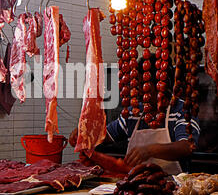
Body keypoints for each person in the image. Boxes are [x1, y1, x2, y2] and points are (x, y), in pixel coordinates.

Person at [69, 57, 200, 175]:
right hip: (136, 185)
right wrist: (85, 134)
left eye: (145, 87)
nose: (139, 92)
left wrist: (150, 150)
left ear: (161, 86)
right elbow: (106, 135)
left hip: (174, 189)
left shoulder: (182, 110)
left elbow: (187, 146)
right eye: (138, 86)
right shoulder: (134, 112)